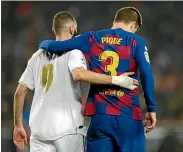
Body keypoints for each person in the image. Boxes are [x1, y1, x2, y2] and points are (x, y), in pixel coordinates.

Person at [13, 11, 139, 152]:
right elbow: (79, 74)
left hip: (39, 131)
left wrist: (18, 126)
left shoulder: (36, 56)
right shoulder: (73, 52)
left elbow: (19, 93)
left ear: (54, 29)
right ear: (72, 29)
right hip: (68, 129)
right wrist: (116, 79)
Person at [39, 6, 157, 152]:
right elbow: (146, 73)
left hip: (100, 118)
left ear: (116, 21)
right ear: (133, 25)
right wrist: (151, 108)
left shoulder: (93, 38)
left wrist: (42, 44)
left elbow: (54, 46)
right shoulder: (136, 41)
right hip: (128, 116)